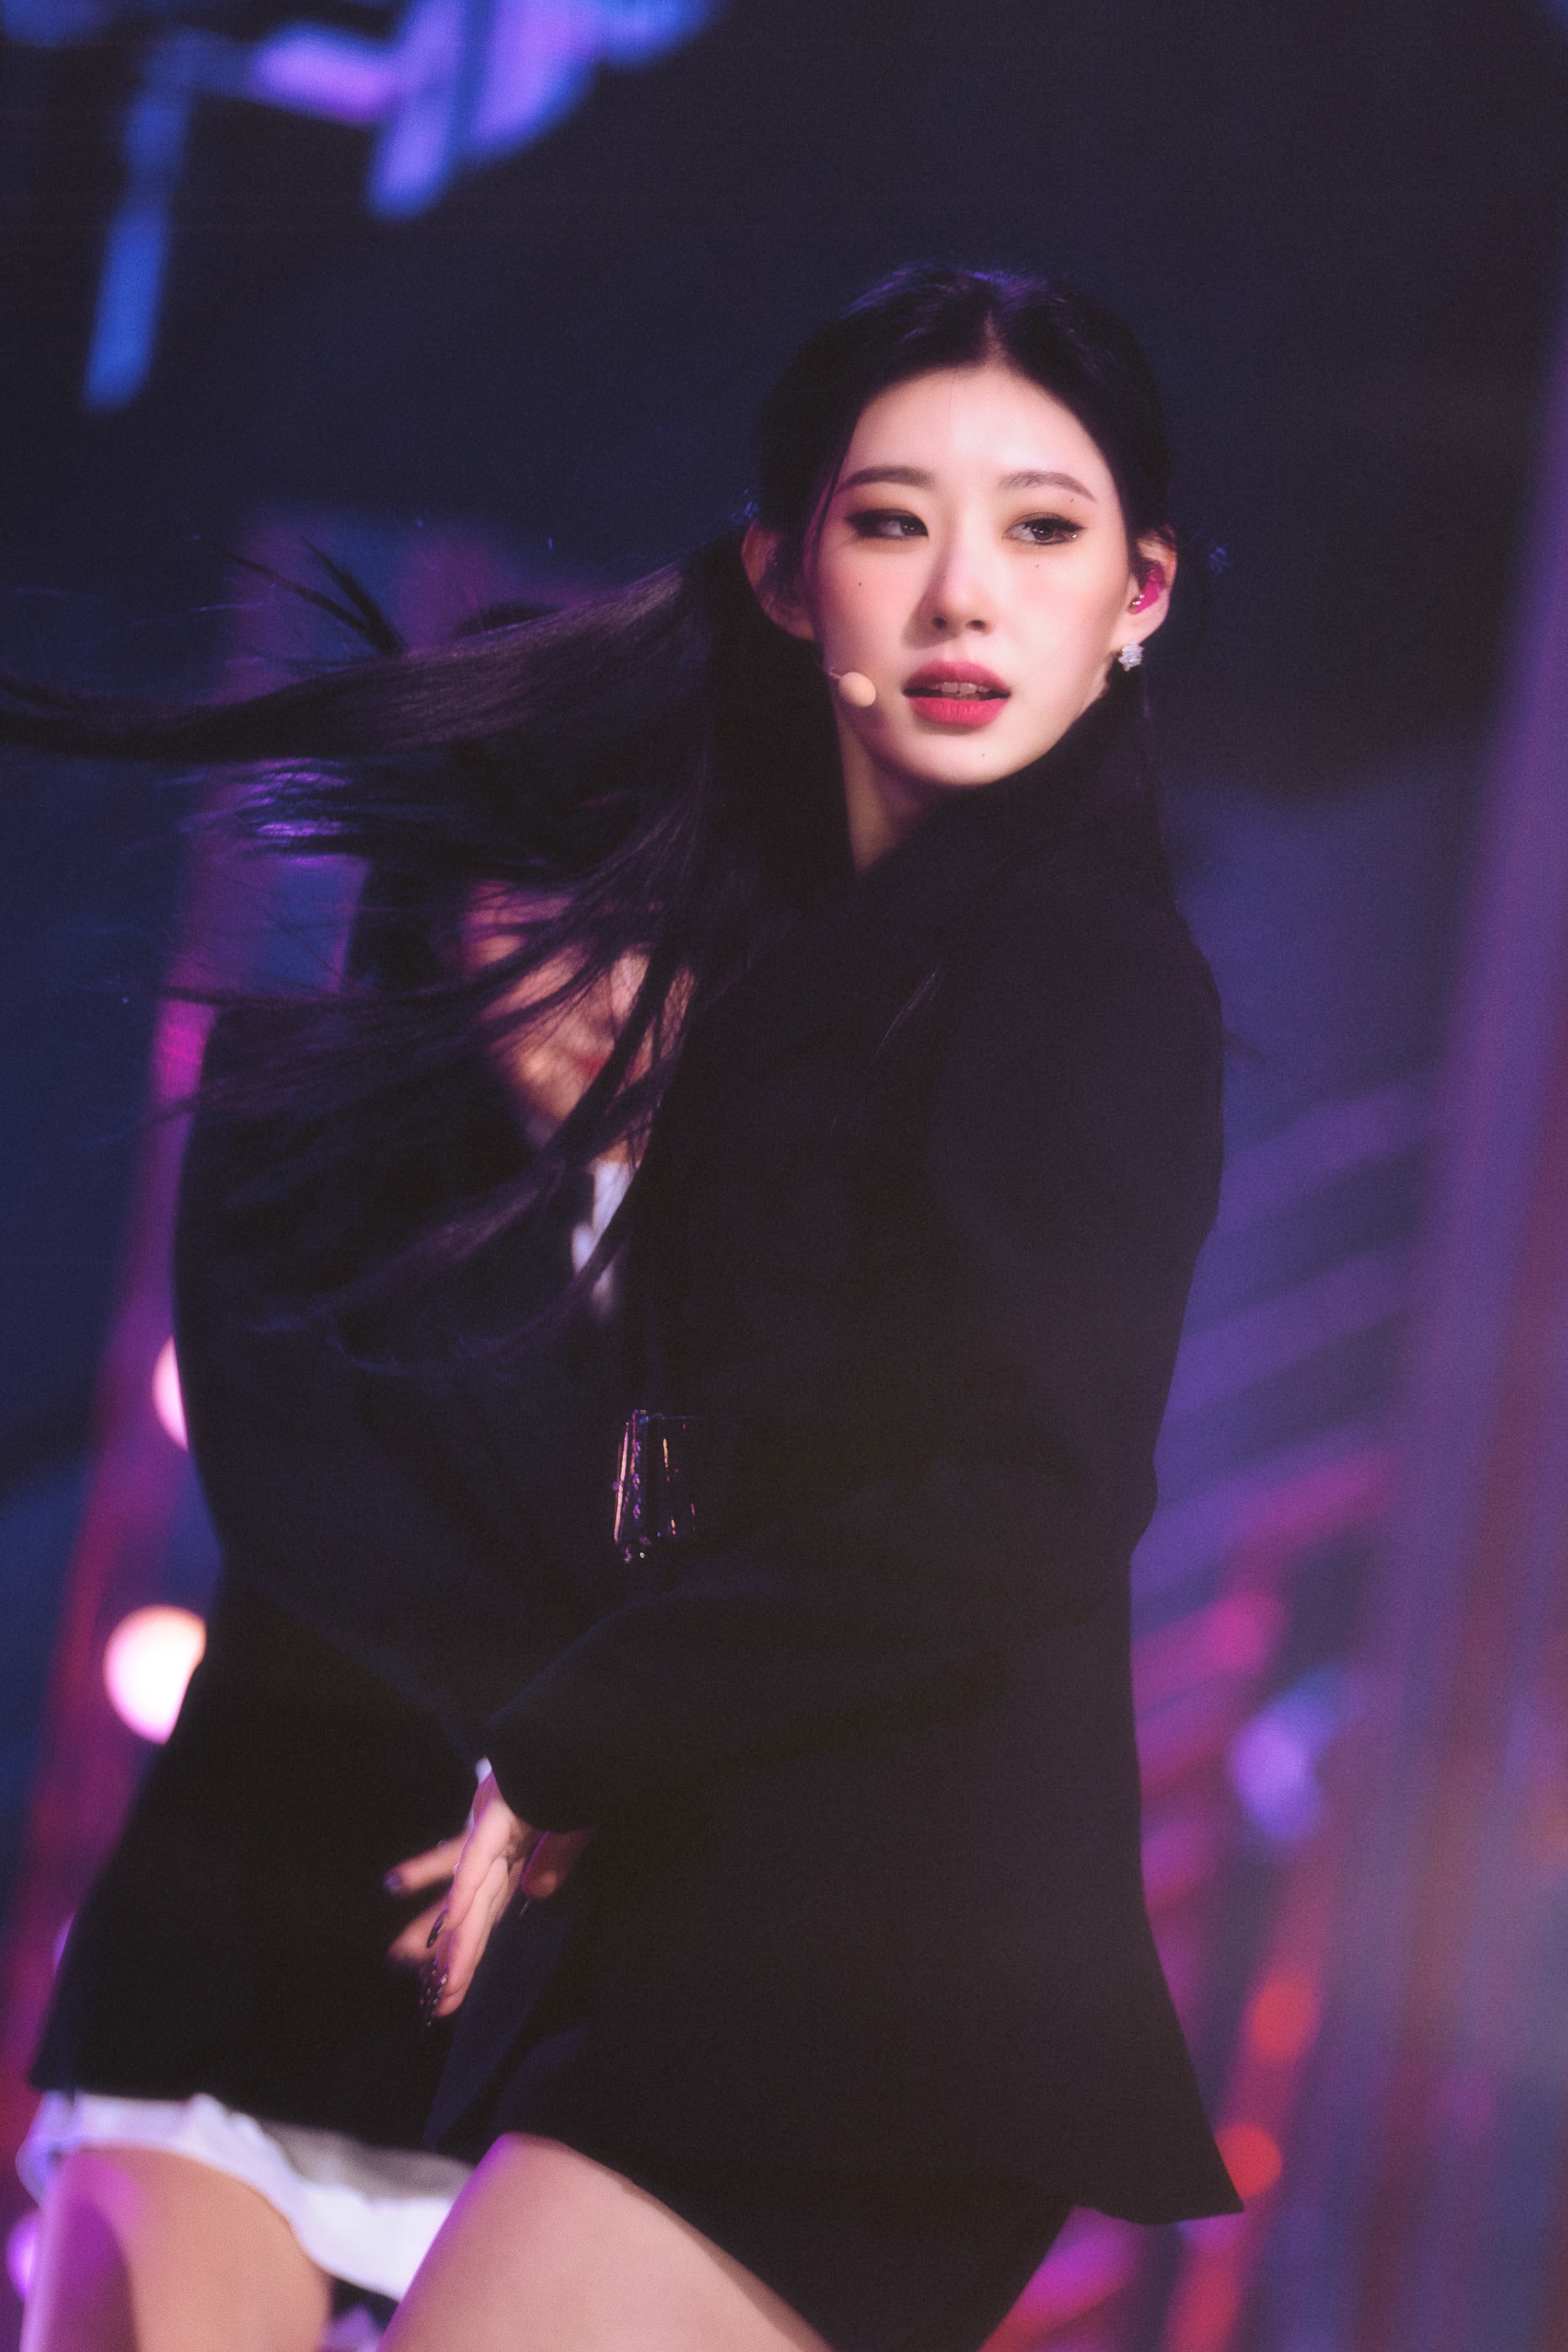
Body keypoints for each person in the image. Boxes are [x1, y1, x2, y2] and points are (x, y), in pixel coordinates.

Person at [3, 262, 1240, 2352]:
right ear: (786, 579)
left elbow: (1028, 1494)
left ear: (1143, 594)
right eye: (892, 520)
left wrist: (582, 1739)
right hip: (456, 1952)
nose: (963, 595)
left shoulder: (1066, 967)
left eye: (1044, 528)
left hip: (838, 1974)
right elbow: (378, 1523)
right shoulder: (851, 1001)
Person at [17, 873, 645, 2351]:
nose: (607, 984)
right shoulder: (309, 1120)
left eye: (656, 926)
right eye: (544, 910)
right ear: (447, 898)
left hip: (600, 2055)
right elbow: (324, 1516)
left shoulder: (804, 1234)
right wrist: (585, 1756)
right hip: (260, 1980)